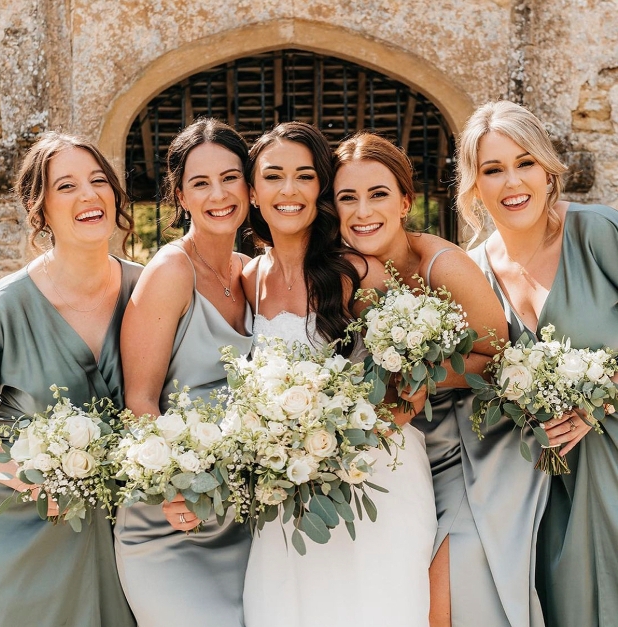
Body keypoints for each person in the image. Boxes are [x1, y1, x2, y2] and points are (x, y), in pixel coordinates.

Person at [240, 121, 437, 627]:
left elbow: (418, 368)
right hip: (289, 490)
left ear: (320, 190)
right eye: (274, 176)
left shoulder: (358, 271)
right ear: (253, 191)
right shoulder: (245, 279)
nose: (290, 190)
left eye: (305, 176)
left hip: (376, 477)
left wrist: (362, 432)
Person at [334, 132, 526, 627]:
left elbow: (501, 355)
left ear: (405, 202)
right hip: (395, 457)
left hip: (467, 450)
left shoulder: (442, 264)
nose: (362, 211)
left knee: (441, 599)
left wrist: (425, 381)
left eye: (377, 194)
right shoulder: (349, 273)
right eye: (347, 198)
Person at [457, 99, 618, 627]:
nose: (511, 182)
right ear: (474, 186)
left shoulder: (599, 233)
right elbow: (477, 380)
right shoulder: (471, 274)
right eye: (493, 169)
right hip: (548, 487)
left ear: (549, 172)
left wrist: (599, 397)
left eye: (524, 162)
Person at [0, 131, 140, 627]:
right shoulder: (5, 306)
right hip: (31, 539)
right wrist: (25, 474)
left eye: (99, 181)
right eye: (67, 186)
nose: (88, 195)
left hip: (140, 540)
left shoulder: (151, 290)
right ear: (41, 210)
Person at [114, 118, 253, 627]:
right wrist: (170, 487)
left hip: (245, 517)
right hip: (172, 520)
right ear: (180, 194)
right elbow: (139, 401)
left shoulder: (251, 271)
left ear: (249, 184)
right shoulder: (171, 272)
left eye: (230, 177)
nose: (218, 194)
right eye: (200, 183)